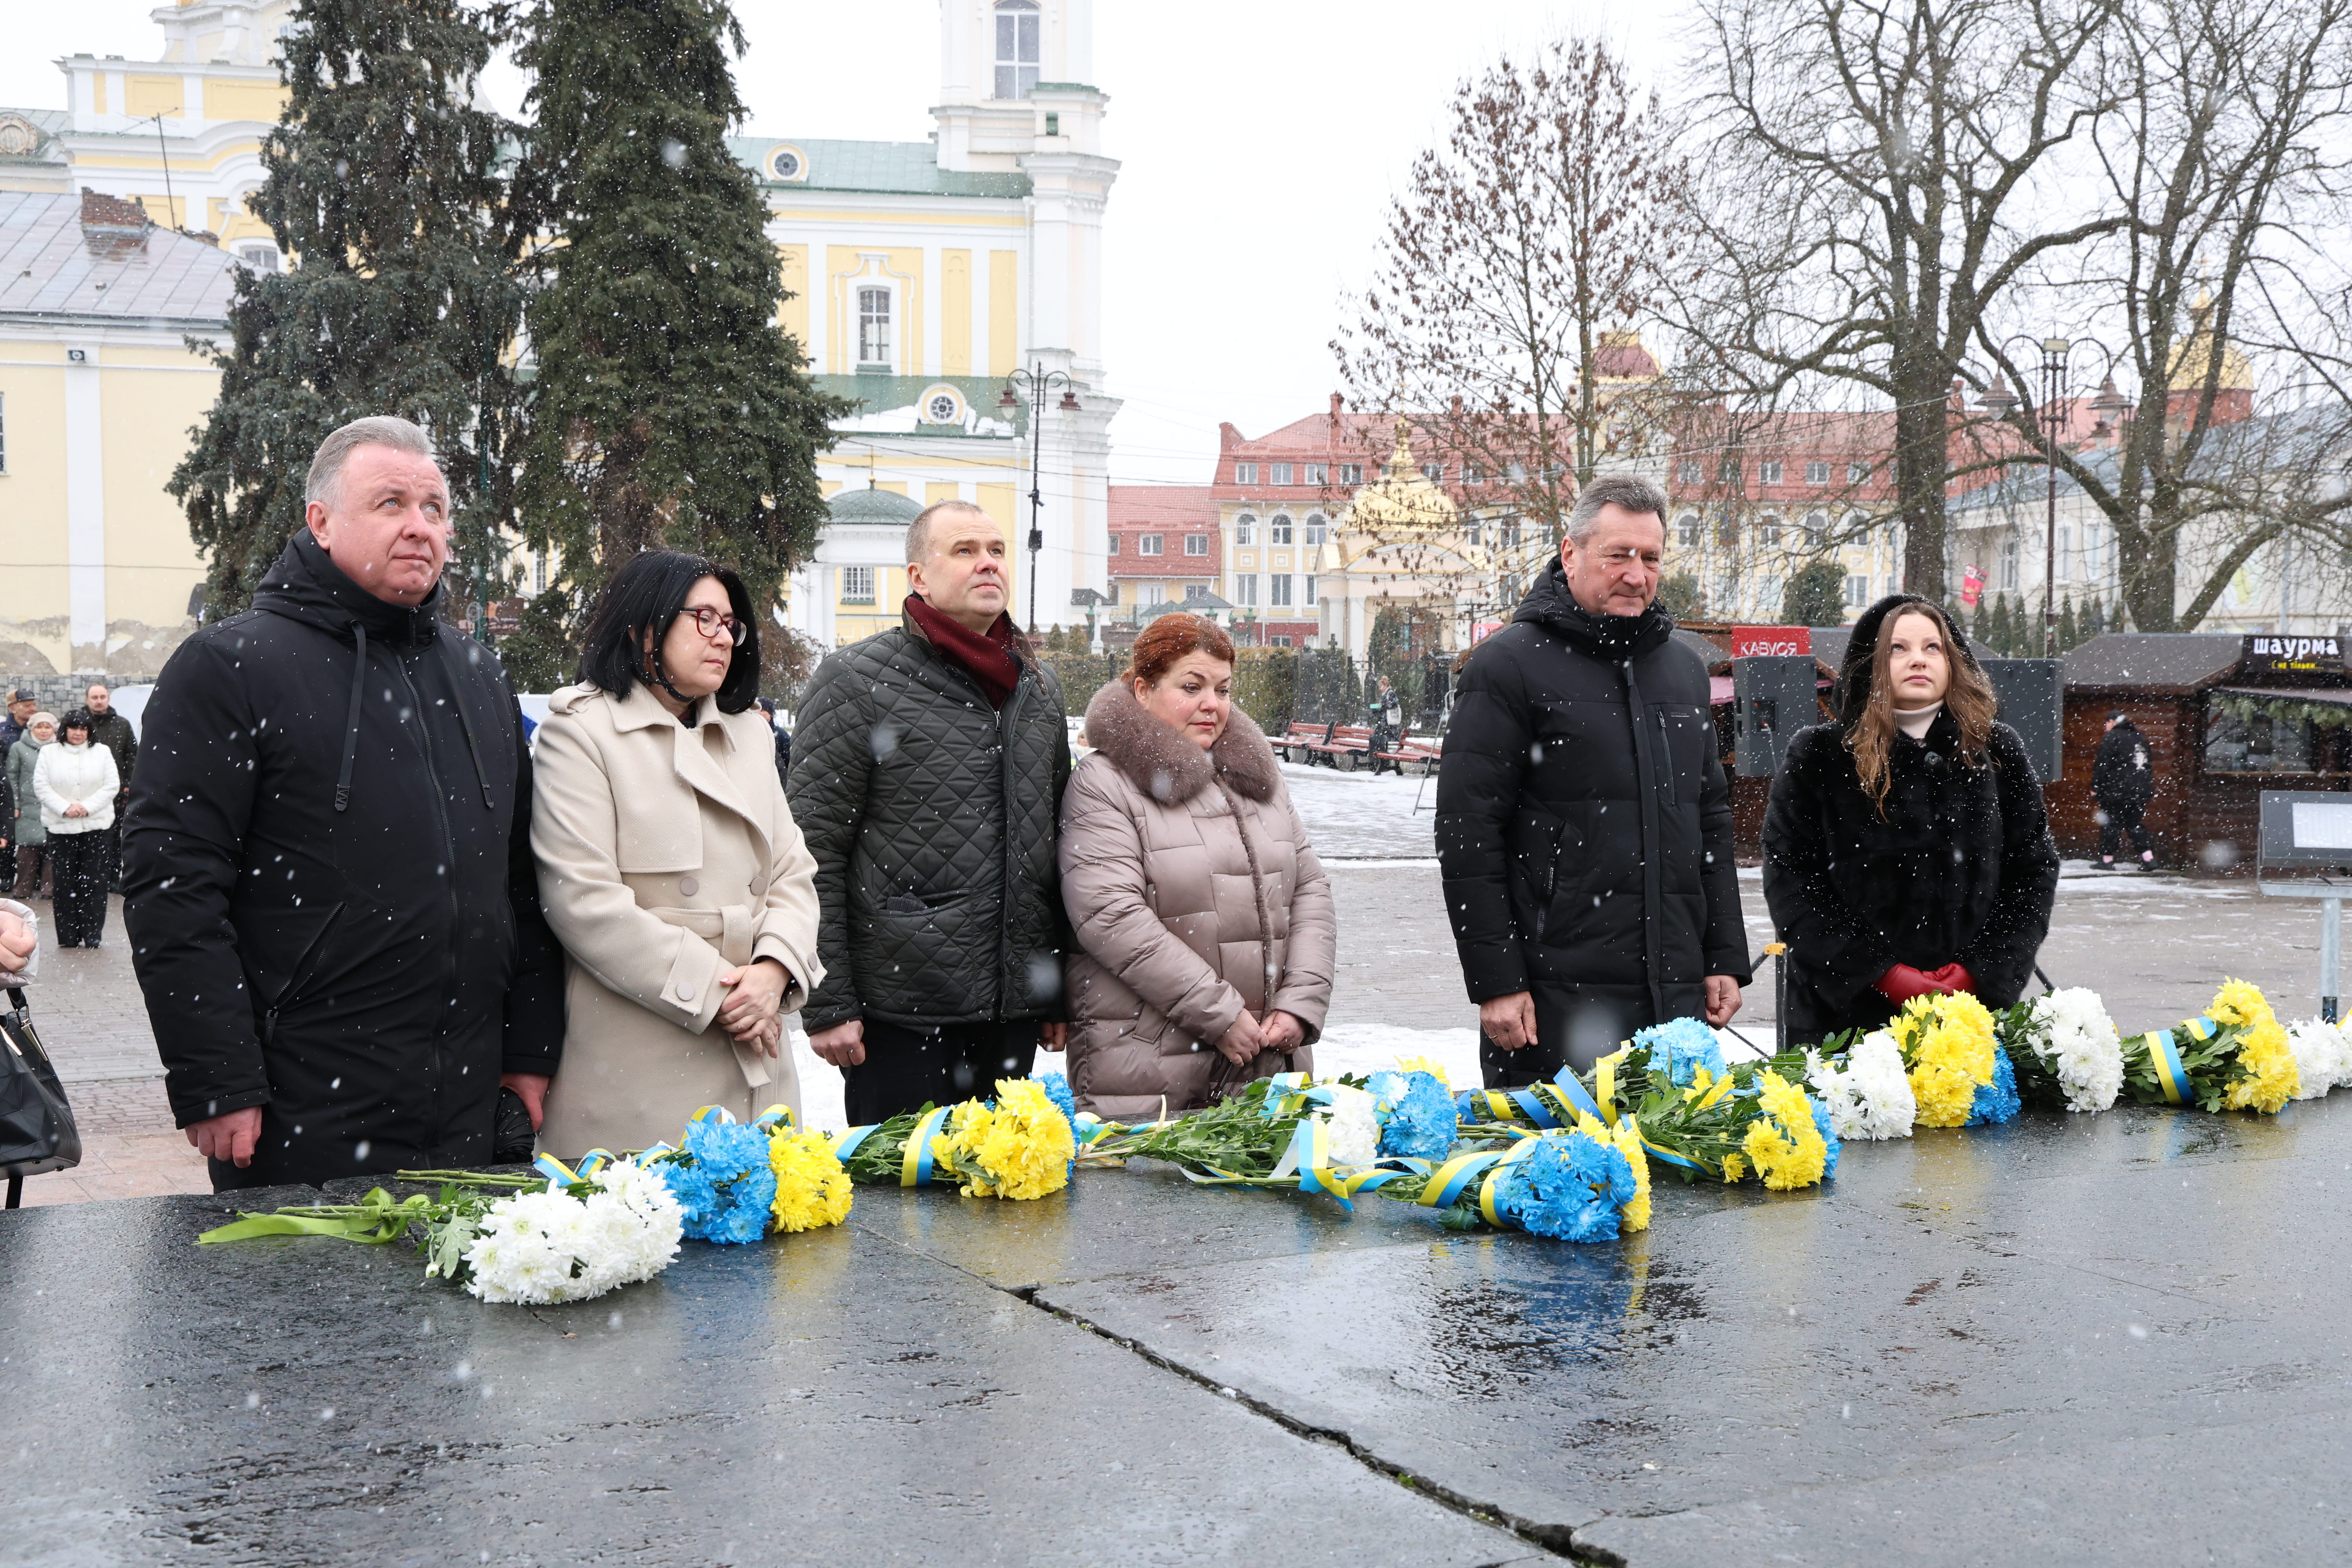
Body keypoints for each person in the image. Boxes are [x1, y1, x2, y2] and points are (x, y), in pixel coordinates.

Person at [123, 415, 564, 1191]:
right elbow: (175, 886)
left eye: (433, 508)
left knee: (458, 1310)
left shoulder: (479, 675)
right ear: (320, 522)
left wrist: (529, 1053)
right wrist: (217, 1077)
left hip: (466, 1098)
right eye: (390, 503)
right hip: (302, 1102)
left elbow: (520, 885)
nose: (419, 527)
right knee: (304, 1314)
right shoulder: (229, 668)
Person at [1436, 472, 1751, 1083]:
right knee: (1560, 1174)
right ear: (1571, 554)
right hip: (1553, 994)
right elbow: (1468, 834)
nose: (1637, 574)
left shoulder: (1685, 670)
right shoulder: (1507, 665)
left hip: (1674, 992)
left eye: (1651, 557)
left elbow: (1709, 820)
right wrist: (1497, 981)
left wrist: (1723, 957)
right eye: (1619, 556)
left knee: (1673, 1174)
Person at [530, 552, 823, 1156]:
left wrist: (772, 974)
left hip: (756, 1061)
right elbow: (584, 903)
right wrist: (721, 994)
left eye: (732, 624)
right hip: (641, 1067)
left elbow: (794, 874)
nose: (724, 638)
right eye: (705, 619)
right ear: (643, 629)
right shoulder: (580, 732)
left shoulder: (750, 735)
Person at [789, 498, 1071, 1122]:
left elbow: (1058, 846)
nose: (988, 564)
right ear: (918, 576)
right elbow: (812, 852)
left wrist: (1055, 988)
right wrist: (829, 1001)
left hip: (1009, 1013)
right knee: (904, 1209)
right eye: (965, 551)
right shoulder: (855, 681)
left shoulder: (1038, 688)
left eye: (996, 551)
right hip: (900, 1012)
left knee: (1004, 1199)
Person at [1060, 613, 1335, 1117]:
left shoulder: (1257, 779)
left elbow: (1310, 887)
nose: (1213, 704)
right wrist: (1220, 1015)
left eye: (1224, 689)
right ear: (1143, 691)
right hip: (1149, 1072)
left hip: (1269, 1067)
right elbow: (1111, 915)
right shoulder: (1105, 783)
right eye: (1192, 686)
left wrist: (1300, 1003)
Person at [1761, 593, 2060, 1043]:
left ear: (1953, 661)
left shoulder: (1998, 752)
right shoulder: (1820, 755)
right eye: (1898, 648)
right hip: (1842, 1025)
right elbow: (1792, 878)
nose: (1917, 660)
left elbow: (2032, 871)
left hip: (1967, 1019)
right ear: (1874, 662)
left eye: (1932, 647)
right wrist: (1878, 973)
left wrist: (1979, 972)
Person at [33, 708, 118, 947]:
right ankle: (68, 937)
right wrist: (65, 808)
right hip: (61, 828)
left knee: (95, 882)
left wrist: (87, 807)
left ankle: (93, 935)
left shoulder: (102, 752)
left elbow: (112, 784)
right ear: (65, 730)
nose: (78, 734)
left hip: (97, 827)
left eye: (83, 729)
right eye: (73, 728)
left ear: (89, 731)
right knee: (64, 883)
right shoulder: (49, 753)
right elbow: (41, 786)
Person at [83, 682, 137, 892]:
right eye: (94, 697)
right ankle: (88, 877)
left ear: (108, 699)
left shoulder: (122, 724)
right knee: (87, 838)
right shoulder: (79, 723)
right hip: (84, 791)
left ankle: (114, 878)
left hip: (115, 792)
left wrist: (129, 784)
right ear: (87, 700)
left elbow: (132, 755)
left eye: (102, 697)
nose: (99, 701)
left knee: (114, 838)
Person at [2092, 710, 2157, 871]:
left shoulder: (2111, 738)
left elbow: (2102, 764)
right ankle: (2149, 859)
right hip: (2140, 790)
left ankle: (2107, 861)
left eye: (2106, 723)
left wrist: (2096, 787)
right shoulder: (2140, 738)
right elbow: (2147, 766)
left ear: (2113, 722)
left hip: (2117, 789)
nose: (2105, 727)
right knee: (2134, 824)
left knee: (2111, 825)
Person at [8, 713, 53, 900]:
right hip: (27, 806)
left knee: (53, 852)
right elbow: (12, 777)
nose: (44, 731)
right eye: (39, 727)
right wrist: (15, 804)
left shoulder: (59, 748)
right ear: (32, 729)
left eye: (48, 727)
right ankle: (22, 890)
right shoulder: (19, 748)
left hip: (52, 806)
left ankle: (49, 891)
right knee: (27, 853)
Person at [1367, 674, 1405, 775]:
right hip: (1383, 723)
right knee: (1378, 740)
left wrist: (1382, 706)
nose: (1380, 689)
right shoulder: (1384, 695)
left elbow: (1394, 704)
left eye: (1380, 687)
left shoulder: (1390, 694)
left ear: (1385, 685)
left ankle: (1385, 762)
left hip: (1389, 723)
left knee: (1388, 740)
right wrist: (1373, 711)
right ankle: (1380, 762)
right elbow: (1381, 707)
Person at [757, 696, 791, 780]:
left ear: (770, 713)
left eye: (762, 710)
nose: (759, 713)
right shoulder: (751, 732)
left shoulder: (781, 735)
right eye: (757, 710)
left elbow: (789, 761)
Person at [0, 689, 33, 754]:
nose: (33, 709)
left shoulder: (39, 728)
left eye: (34, 705)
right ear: (13, 709)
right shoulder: (2, 729)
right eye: (28, 706)